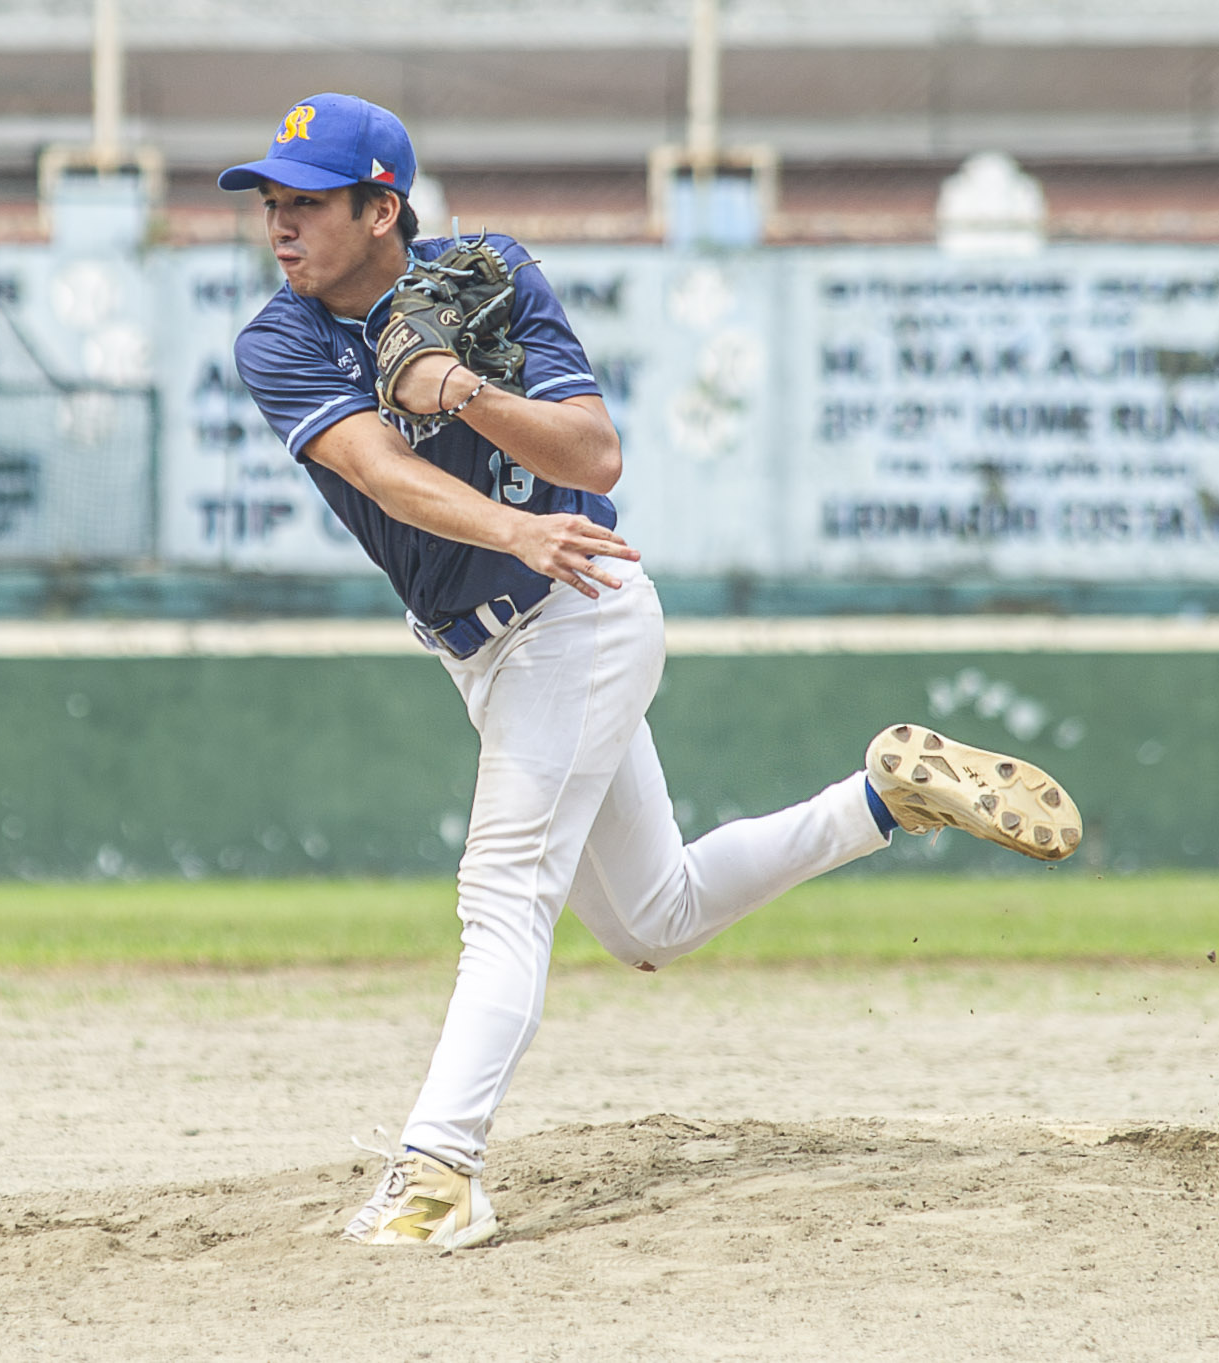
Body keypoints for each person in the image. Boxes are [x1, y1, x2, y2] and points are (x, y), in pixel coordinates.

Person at [219, 93, 1081, 1251]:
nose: (279, 224)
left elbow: (594, 452)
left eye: (308, 201)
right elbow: (378, 473)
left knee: (502, 889)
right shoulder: (276, 339)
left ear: (383, 209)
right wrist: (503, 520)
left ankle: (439, 1174)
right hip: (491, 639)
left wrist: (462, 388)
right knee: (651, 919)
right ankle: (880, 798)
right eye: (270, 201)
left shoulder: (490, 276)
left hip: (578, 613)